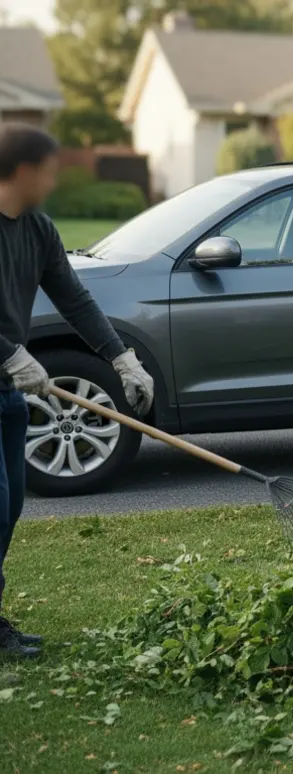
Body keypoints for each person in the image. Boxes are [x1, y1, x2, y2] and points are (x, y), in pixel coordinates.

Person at [0, 124, 155, 659]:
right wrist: (9, 353)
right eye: (50, 169)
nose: (56, 179)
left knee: (11, 506)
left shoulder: (38, 229)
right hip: (4, 374)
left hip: (7, 399)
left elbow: (74, 298)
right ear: (23, 171)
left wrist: (121, 357)